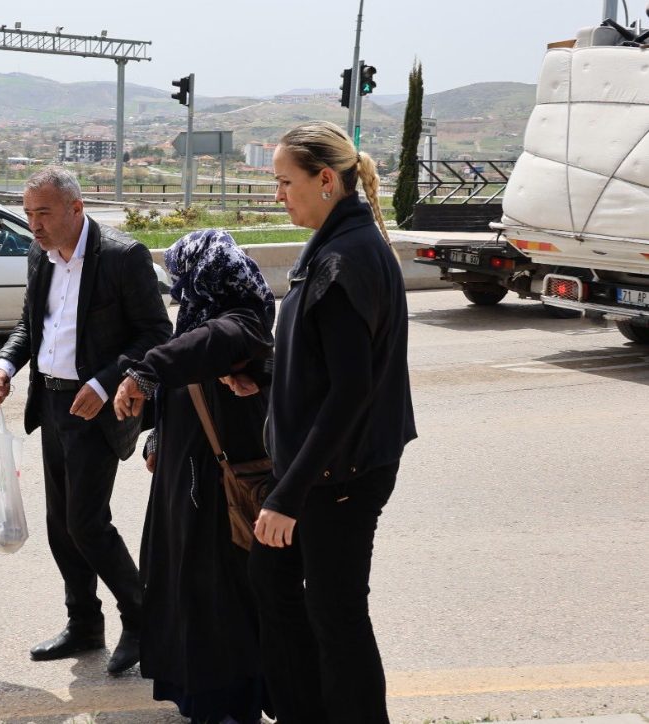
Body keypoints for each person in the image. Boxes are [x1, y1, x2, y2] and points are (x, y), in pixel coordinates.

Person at [230, 120, 417, 724]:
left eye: (286, 182)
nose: (278, 194)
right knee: (275, 586)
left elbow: (351, 391)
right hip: (324, 469)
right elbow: (324, 361)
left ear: (327, 180)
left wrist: (287, 496)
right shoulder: (338, 243)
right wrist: (265, 376)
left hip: (339, 475)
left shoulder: (344, 258)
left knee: (337, 615)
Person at [0, 166, 172, 675]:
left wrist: (105, 382)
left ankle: (143, 621)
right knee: (61, 526)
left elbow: (156, 333)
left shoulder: (121, 256)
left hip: (98, 408)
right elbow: (30, 325)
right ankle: (84, 623)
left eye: (44, 213)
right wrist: (5, 365)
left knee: (86, 523)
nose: (34, 225)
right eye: (28, 214)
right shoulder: (39, 255)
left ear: (76, 208)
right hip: (51, 404)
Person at [113, 229, 275, 724]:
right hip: (186, 487)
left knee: (217, 603)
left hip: (217, 494)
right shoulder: (201, 321)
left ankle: (229, 708)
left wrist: (145, 371)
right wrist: (157, 438)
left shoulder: (242, 320)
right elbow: (183, 386)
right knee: (188, 597)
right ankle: (203, 701)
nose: (180, 291)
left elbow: (209, 345)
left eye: (183, 279)